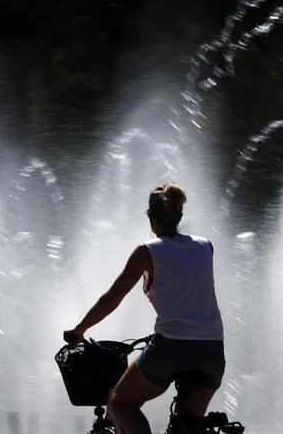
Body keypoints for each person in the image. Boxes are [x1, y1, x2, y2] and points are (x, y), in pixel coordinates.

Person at [63, 183, 224, 434]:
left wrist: (79, 329)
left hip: (171, 348)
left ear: (151, 216)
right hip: (213, 351)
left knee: (120, 402)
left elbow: (110, 300)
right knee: (188, 424)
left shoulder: (146, 252)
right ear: (180, 216)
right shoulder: (206, 246)